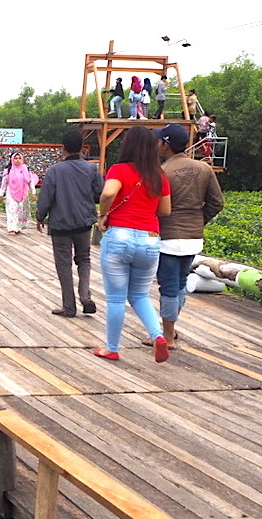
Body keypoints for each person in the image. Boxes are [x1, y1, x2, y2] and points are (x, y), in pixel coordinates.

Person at [94, 126, 172, 363]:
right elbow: (165, 210)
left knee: (116, 298)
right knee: (139, 295)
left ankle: (112, 348)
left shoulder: (119, 170)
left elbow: (108, 194)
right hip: (149, 239)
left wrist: (102, 214)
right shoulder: (159, 176)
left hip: (119, 237)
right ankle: (158, 336)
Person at [148, 124, 224, 349]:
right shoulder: (204, 169)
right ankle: (170, 327)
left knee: (169, 287)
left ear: (165, 144)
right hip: (193, 238)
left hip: (169, 238)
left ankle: (168, 336)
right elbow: (217, 203)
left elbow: (155, 206)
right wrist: (199, 221)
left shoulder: (162, 172)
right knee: (180, 284)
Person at [35, 130, 104, 318]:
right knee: (84, 259)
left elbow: (46, 197)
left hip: (60, 225)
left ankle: (69, 306)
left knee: (64, 264)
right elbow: (100, 193)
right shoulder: (91, 169)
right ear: (82, 148)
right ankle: (85, 296)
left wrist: (40, 216)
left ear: (62, 148)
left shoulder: (55, 170)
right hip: (84, 223)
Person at [0, 152, 37, 235]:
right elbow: (4, 183)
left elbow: (30, 182)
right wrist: (1, 194)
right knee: (12, 210)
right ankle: (11, 228)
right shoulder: (8, 170)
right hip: (11, 193)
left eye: (19, 158)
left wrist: (33, 192)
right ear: (12, 159)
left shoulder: (26, 170)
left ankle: (17, 227)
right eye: (15, 158)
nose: (17, 160)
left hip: (23, 193)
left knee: (20, 211)